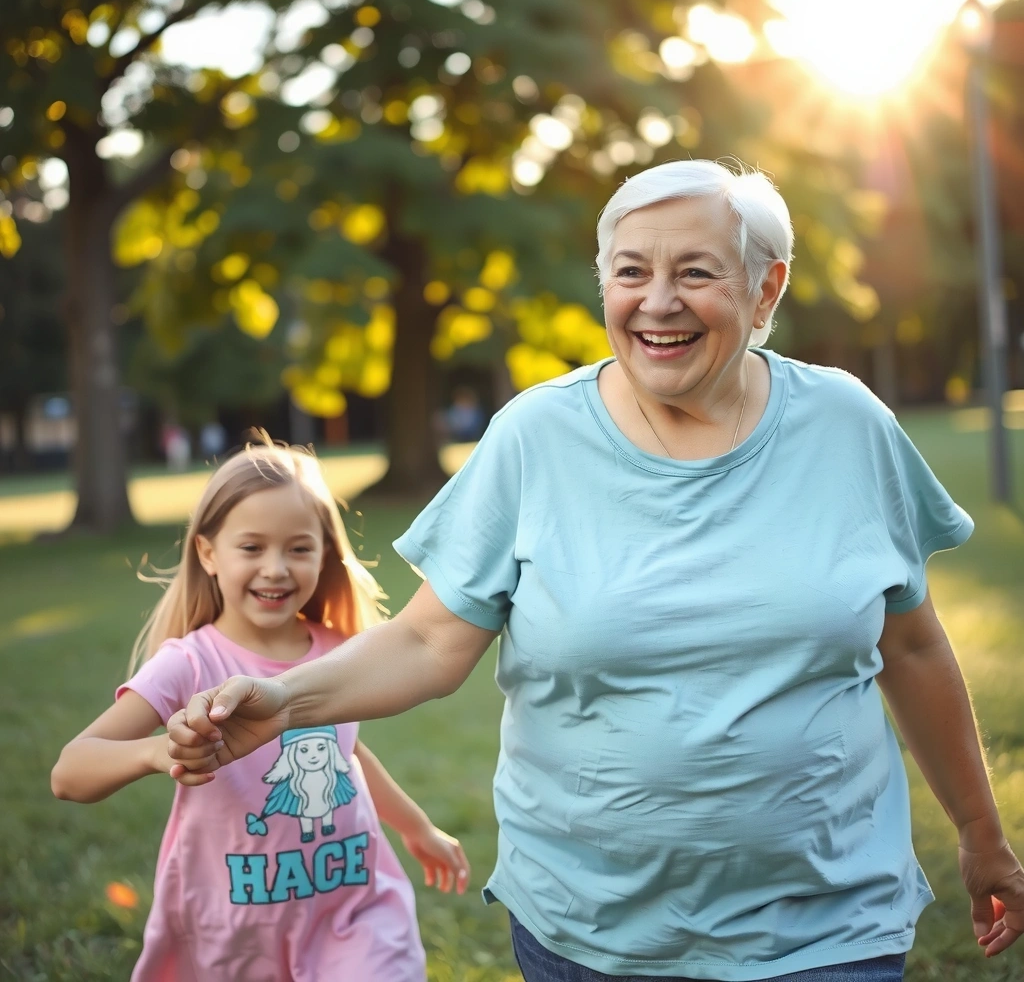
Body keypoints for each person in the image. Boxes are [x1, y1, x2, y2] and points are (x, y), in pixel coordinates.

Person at [164, 161, 1024, 981]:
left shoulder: (846, 425)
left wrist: (981, 831)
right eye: (630, 272)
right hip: (591, 928)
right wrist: (286, 701)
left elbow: (910, 647)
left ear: (767, 287)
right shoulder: (536, 437)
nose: (657, 302)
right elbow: (428, 640)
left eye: (696, 272)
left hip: (826, 917)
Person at [51, 440, 469, 982]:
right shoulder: (189, 663)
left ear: (324, 551)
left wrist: (416, 827)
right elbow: (69, 773)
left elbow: (348, 753)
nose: (275, 569)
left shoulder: (340, 651)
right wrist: (158, 752)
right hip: (239, 923)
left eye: (298, 548)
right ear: (208, 553)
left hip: (354, 905)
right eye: (251, 547)